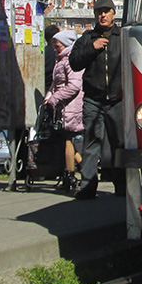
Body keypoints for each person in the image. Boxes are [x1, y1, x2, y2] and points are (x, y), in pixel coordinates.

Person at [68, 0, 124, 199]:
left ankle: (123, 187)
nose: (103, 15)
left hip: (117, 100)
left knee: (120, 144)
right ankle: (88, 187)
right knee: (91, 143)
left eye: (106, 11)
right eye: (99, 11)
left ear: (113, 14)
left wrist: (125, 90)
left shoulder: (122, 36)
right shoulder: (87, 38)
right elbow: (74, 63)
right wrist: (92, 48)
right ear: (95, 15)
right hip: (93, 99)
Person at [43, 29, 84, 193]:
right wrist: (49, 97)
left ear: (66, 45)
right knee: (68, 141)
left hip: (72, 106)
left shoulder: (70, 60)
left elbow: (74, 85)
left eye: (58, 46)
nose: (55, 49)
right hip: (64, 106)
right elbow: (55, 84)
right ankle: (84, 171)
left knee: (68, 140)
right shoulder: (59, 60)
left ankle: (72, 175)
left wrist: (54, 98)